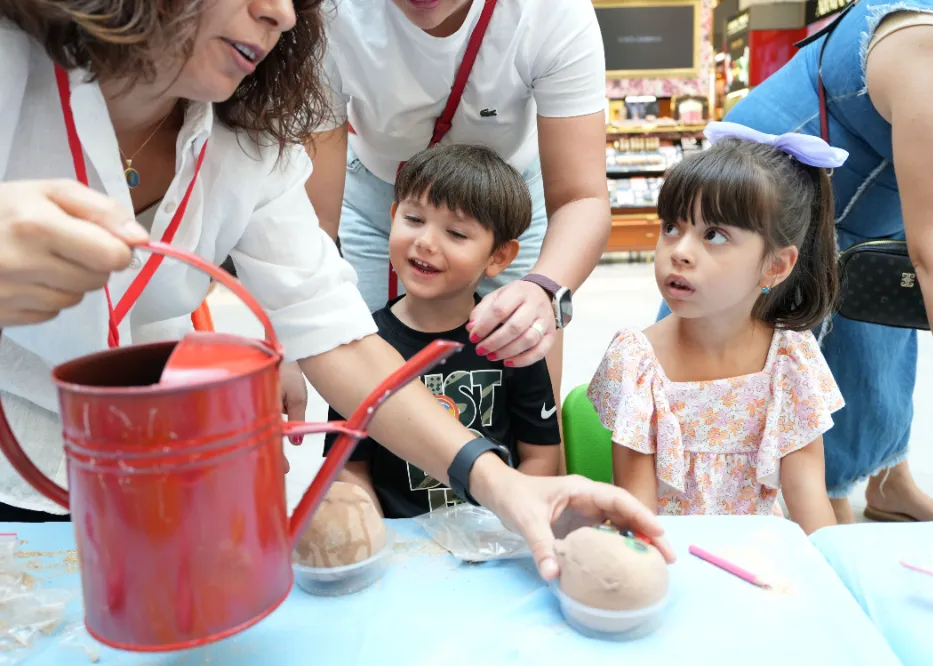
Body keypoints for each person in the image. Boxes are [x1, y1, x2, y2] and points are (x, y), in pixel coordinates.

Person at [0, 0, 674, 579]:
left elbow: (338, 333)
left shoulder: (247, 142)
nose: (282, 14)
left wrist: (500, 486)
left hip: (135, 467)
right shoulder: (15, 66)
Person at [655, 1, 933, 523]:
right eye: (668, 232)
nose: (677, 249)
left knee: (880, 336)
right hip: (779, 196)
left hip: (877, 203)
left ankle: (885, 475)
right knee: (769, 346)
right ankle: (811, 491)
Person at [307, 0, 612, 419]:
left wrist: (543, 288)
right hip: (380, 191)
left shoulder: (550, 12)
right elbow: (315, 222)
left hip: (507, 200)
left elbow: (581, 196)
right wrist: (291, 339)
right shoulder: (328, 14)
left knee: (525, 374)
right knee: (376, 377)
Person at [595, 123, 844, 535]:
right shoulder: (638, 362)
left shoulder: (790, 362)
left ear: (776, 265)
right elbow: (637, 517)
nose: (680, 252)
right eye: (671, 227)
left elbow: (810, 505)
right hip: (666, 566)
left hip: (759, 566)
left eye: (714, 235)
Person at [325, 145, 561, 517]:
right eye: (414, 219)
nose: (426, 242)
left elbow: (542, 457)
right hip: (403, 550)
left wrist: (503, 525)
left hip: (493, 541)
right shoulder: (364, 346)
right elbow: (349, 467)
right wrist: (376, 534)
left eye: (456, 233)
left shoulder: (509, 341)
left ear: (499, 256)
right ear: (392, 217)